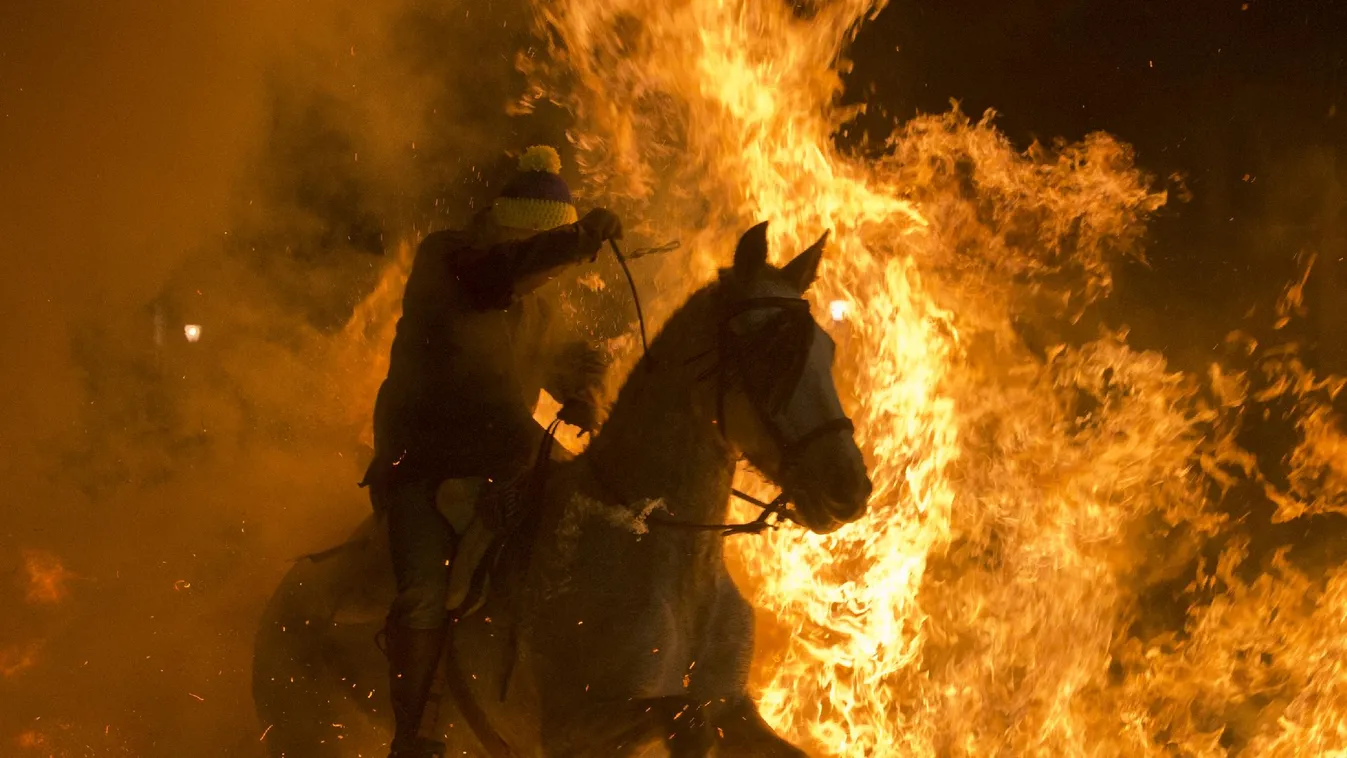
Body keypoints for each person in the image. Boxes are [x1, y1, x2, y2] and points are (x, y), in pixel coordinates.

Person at [361, 145, 622, 758]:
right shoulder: (448, 260)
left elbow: (554, 371)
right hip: (425, 467)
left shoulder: (537, 307)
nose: (551, 275)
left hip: (508, 465)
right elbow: (493, 277)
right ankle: (408, 739)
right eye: (545, 254)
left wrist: (585, 389)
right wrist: (578, 238)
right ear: (513, 234)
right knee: (425, 592)